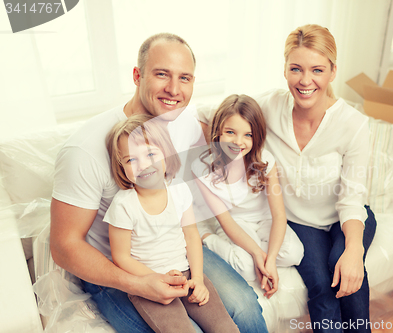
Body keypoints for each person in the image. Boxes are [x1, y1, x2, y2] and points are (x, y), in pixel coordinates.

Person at [50, 33, 268, 333]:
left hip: (178, 251)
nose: (174, 89)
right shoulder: (85, 149)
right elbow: (64, 246)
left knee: (243, 308)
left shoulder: (184, 122)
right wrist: (138, 283)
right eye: (162, 74)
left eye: (185, 78)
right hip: (118, 267)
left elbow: (225, 139)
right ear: (137, 75)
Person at [198, 24, 377, 333]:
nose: (305, 81)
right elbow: (212, 113)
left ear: (333, 72)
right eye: (296, 69)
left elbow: (352, 198)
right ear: (284, 70)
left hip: (347, 218)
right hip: (301, 222)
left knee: (347, 271)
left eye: (317, 70)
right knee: (322, 284)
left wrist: (354, 251)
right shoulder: (270, 106)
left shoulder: (354, 125)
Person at [104, 114, 239, 333]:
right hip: (147, 282)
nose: (144, 165)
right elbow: (121, 257)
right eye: (131, 159)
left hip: (185, 273)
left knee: (226, 329)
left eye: (150, 154)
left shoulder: (178, 190)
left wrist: (197, 278)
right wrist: (156, 279)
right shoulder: (124, 205)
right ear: (121, 166)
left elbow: (192, 236)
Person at [192, 94, 304, 298]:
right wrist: (256, 254)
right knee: (246, 267)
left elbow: (279, 215)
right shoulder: (202, 167)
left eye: (248, 135)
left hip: (265, 220)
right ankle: (206, 237)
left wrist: (268, 260)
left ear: (257, 136)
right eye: (230, 132)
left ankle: (257, 256)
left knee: (294, 253)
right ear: (218, 131)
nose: (238, 142)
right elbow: (225, 220)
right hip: (234, 223)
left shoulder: (266, 161)